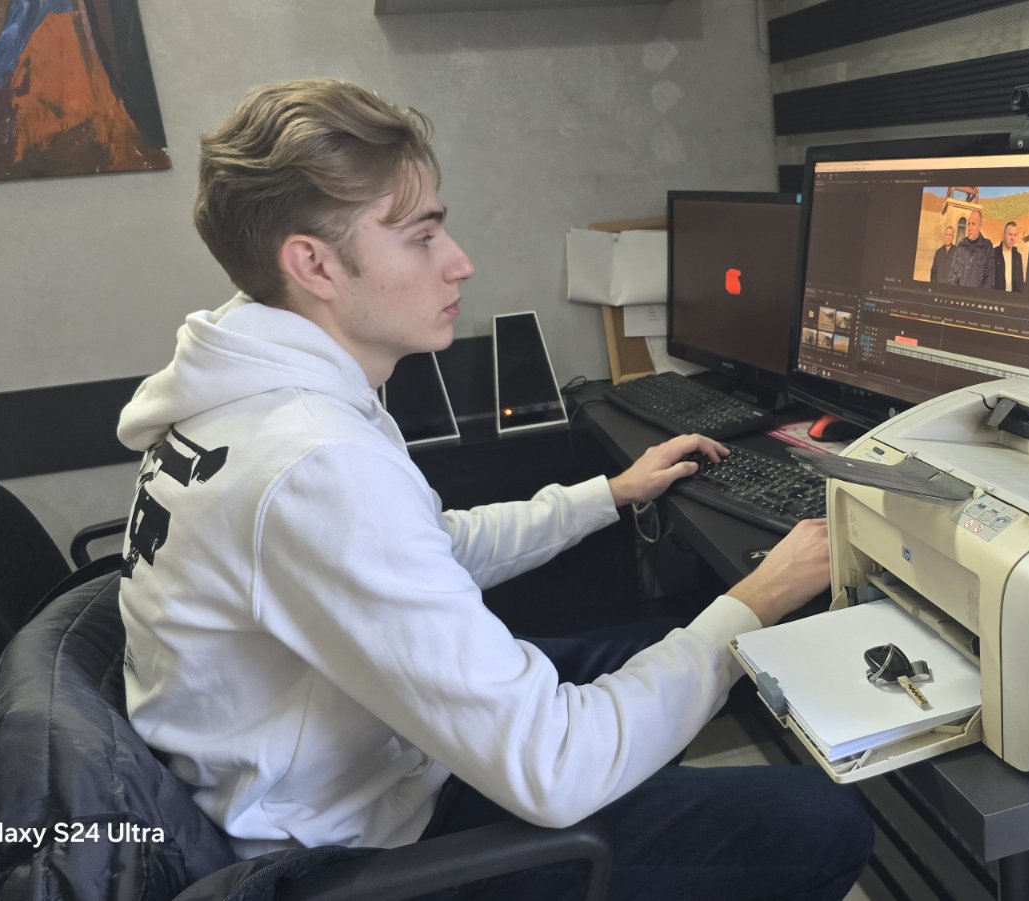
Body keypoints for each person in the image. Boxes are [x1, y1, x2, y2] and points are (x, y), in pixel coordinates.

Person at [115, 78, 872, 900]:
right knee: (825, 819)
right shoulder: (312, 462)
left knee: (668, 641)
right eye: (421, 236)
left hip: (349, 760)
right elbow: (555, 769)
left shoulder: (258, 393)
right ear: (314, 263)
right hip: (352, 848)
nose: (460, 261)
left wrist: (609, 493)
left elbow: (432, 545)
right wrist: (758, 600)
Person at [950, 209, 996, 289]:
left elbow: (989, 280)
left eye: (973, 224)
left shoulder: (987, 248)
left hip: (977, 295)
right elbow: (952, 276)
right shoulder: (961, 246)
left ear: (980, 226)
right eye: (969, 224)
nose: (970, 228)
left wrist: (977, 295)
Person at [997, 220, 1024, 293]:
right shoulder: (994, 254)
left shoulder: (1018, 257)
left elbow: (1020, 284)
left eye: (1015, 235)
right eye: (1010, 234)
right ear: (1004, 235)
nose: (1012, 238)